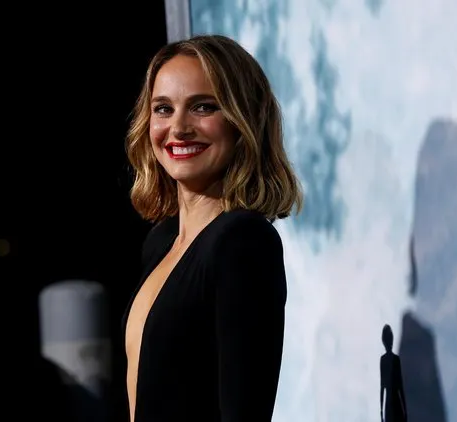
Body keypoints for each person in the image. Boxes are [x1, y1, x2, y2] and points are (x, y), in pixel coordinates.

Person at [122, 34, 303, 422]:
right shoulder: (161, 241)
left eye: (203, 107)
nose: (179, 128)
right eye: (163, 109)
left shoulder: (243, 242)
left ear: (242, 122)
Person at [380, 324, 408, 422]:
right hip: (393, 401)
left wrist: (381, 411)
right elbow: (383, 386)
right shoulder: (391, 359)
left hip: (392, 401)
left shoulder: (389, 360)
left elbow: (383, 386)